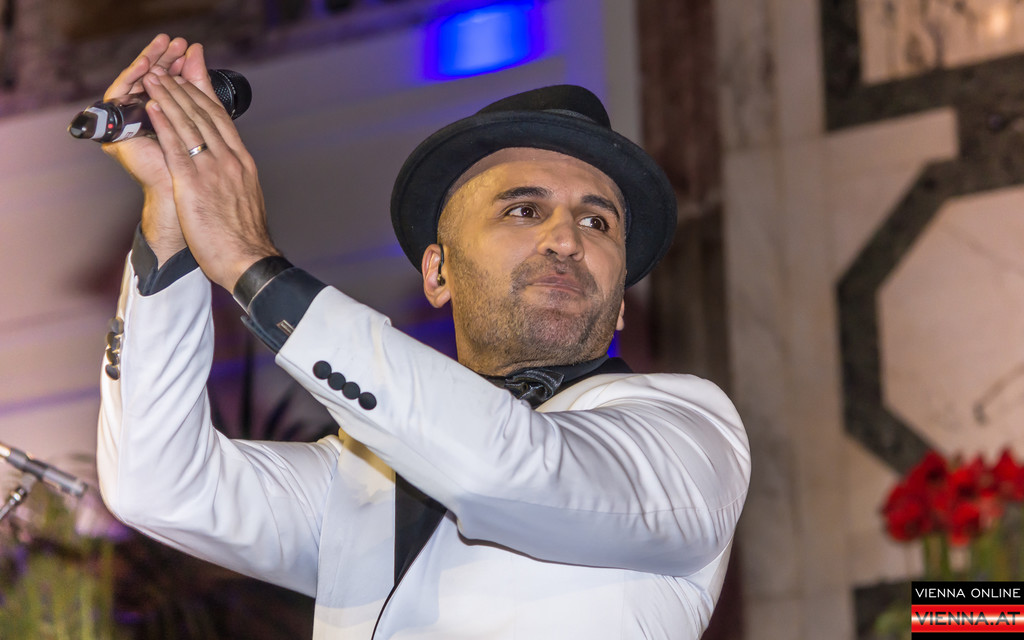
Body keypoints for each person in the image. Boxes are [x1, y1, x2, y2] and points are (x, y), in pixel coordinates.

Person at [95, 34, 750, 639]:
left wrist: (256, 270)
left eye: (597, 223)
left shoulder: (687, 431)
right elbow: (158, 486)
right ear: (438, 273)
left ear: (621, 303)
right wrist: (172, 218)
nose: (565, 239)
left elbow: (510, 468)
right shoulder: (363, 476)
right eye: (524, 210)